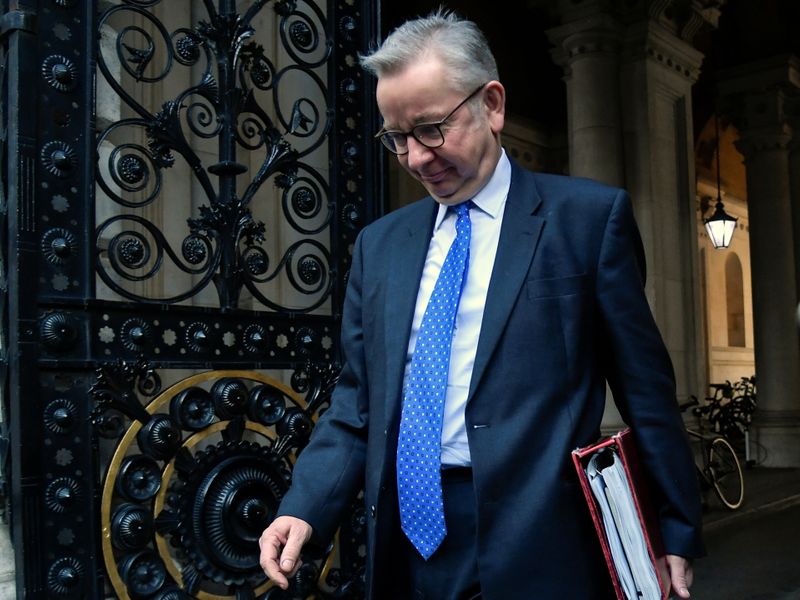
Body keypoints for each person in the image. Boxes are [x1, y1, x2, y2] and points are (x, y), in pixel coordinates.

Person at [259, 9, 704, 599]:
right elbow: (357, 405)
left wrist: (674, 527)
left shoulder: (587, 222)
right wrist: (305, 506)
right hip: (405, 542)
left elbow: (644, 389)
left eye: (432, 129)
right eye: (396, 138)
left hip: (540, 541)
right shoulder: (380, 247)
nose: (416, 157)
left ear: (491, 105)